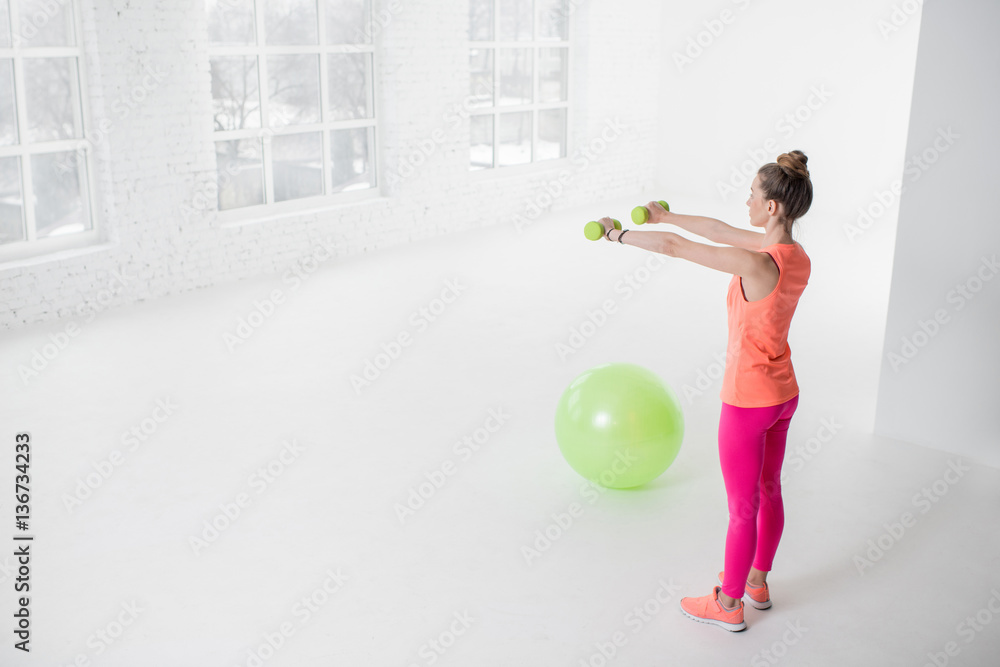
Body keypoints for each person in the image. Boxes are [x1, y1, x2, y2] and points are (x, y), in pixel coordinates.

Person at [595, 151, 813, 632]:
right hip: (783, 394)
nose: (747, 202)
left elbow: (675, 248)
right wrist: (664, 214)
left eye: (753, 195)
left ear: (773, 207)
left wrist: (617, 234)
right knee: (769, 489)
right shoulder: (793, 256)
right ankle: (756, 581)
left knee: (742, 508)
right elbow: (715, 231)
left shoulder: (757, 264)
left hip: (748, 399)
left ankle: (729, 604)